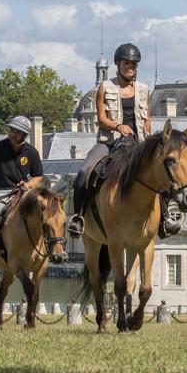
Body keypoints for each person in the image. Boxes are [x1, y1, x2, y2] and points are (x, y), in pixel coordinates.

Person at [68, 43, 151, 236]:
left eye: (133, 63)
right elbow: (102, 119)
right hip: (110, 141)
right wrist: (118, 126)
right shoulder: (105, 88)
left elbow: (147, 120)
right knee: (83, 173)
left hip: (137, 143)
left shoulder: (143, 90)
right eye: (126, 62)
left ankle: (165, 218)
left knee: (160, 172)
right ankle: (78, 217)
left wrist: (148, 141)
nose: (130, 66)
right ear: (118, 64)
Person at [0, 116, 44, 264]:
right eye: (11, 129)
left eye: (17, 131)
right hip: (1, 191)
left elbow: (38, 175)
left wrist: (29, 185)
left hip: (23, 192)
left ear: (24, 135)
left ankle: (51, 247)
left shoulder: (31, 152)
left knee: (47, 211)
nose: (12, 134)